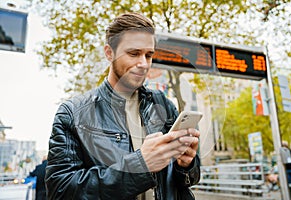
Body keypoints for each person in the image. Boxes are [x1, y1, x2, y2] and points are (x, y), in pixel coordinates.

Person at [45, 12, 201, 200]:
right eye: (134, 53)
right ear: (109, 53)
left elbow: (187, 179)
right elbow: (60, 191)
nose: (143, 64)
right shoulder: (72, 113)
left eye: (149, 55)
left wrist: (186, 165)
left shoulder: (163, 104)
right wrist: (139, 165)